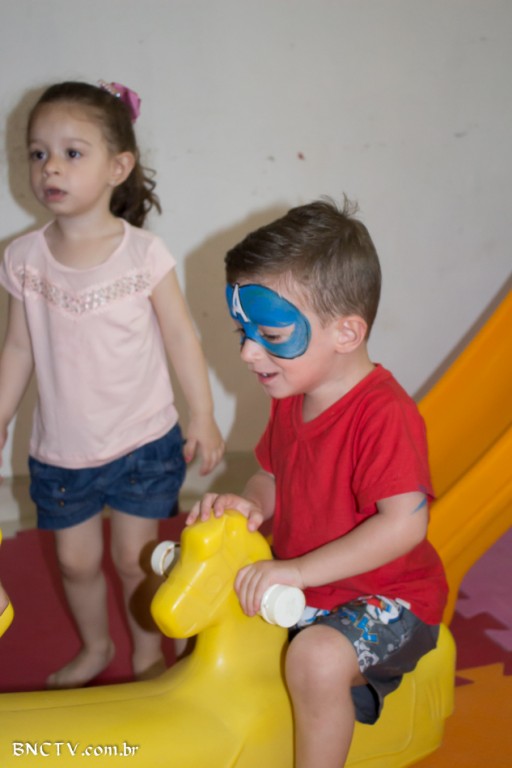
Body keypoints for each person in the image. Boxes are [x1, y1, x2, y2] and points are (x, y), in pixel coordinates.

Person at [188, 198, 448, 768]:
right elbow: (271, 474)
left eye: (270, 333)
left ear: (346, 332)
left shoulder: (384, 415)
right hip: (308, 590)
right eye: (242, 331)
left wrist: (299, 572)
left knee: (316, 660)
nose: (248, 352)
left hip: (389, 599)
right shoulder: (291, 396)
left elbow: (404, 526)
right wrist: (249, 504)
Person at [0, 80, 224, 688]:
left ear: (117, 167)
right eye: (38, 152)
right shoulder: (24, 259)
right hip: (61, 454)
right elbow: (18, 345)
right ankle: (97, 647)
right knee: (76, 564)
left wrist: (202, 414)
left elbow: (181, 337)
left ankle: (147, 652)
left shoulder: (143, 254)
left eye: (72, 153)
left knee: (133, 560)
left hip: (142, 443)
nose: (51, 166)